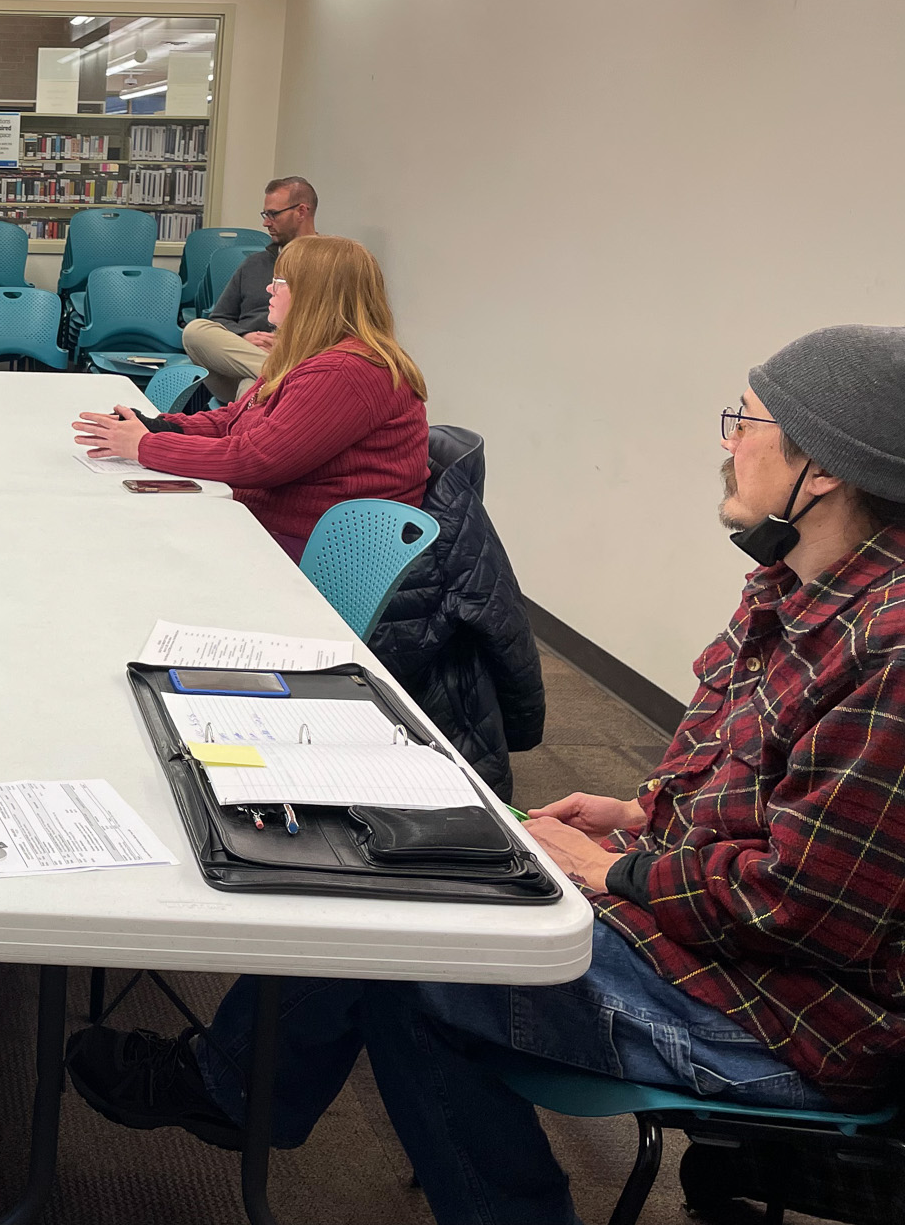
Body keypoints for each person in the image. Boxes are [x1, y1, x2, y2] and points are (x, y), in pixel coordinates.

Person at [67, 323, 905, 1225]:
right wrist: (640, 811)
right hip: (715, 931)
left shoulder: (887, 652)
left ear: (821, 470)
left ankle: (237, 1094)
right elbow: (767, 787)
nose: (728, 443)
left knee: (410, 959)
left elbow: (804, 907)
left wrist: (612, 871)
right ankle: (232, 1090)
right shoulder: (790, 588)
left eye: (747, 421)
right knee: (379, 863)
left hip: (787, 1018)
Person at [73, 235, 428, 559]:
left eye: (282, 282)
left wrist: (146, 446)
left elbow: (257, 461)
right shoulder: (312, 357)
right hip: (289, 526)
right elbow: (232, 421)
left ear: (315, 295)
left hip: (324, 550)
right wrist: (160, 425)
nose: (270, 289)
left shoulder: (345, 371)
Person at [181, 175, 319, 399]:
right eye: (265, 215)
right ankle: (277, 375)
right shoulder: (254, 264)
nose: (266, 223)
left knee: (252, 386)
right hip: (246, 361)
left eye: (273, 214)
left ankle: (273, 376)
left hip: (293, 358)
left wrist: (287, 345)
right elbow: (219, 318)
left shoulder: (329, 265)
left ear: (301, 211)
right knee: (195, 331)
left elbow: (338, 330)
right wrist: (243, 336)